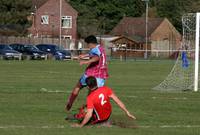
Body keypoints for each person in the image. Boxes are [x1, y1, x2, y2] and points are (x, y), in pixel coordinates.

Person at [72, 76, 136, 127]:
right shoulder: (106, 89)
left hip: (101, 119)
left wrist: (81, 125)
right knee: (86, 108)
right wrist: (127, 112)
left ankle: (104, 123)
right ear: (96, 83)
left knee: (84, 112)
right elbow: (118, 101)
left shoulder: (90, 97)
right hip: (109, 113)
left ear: (88, 87)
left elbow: (89, 114)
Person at [65, 35, 109, 111]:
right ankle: (88, 110)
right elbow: (95, 54)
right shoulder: (100, 48)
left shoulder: (95, 49)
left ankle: (70, 103)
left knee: (78, 86)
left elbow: (96, 58)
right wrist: (84, 55)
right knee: (92, 94)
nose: (88, 46)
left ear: (91, 43)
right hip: (101, 76)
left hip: (91, 73)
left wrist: (86, 61)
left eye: (88, 45)